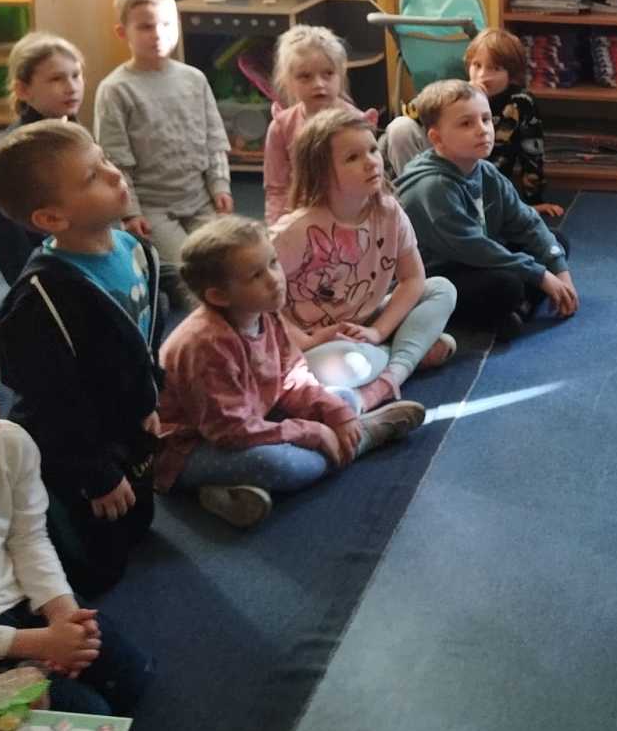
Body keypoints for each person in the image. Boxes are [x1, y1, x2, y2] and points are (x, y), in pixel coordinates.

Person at [155, 217, 425, 529]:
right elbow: (229, 431)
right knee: (280, 465)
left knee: (344, 399)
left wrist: (335, 413)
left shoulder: (264, 311)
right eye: (256, 275)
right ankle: (362, 440)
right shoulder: (206, 345)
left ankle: (228, 491)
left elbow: (292, 375)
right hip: (191, 446)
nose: (275, 279)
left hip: (252, 414)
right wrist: (312, 432)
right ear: (218, 296)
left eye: (273, 263)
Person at [0, 121, 162, 597]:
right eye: (92, 176)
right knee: (98, 570)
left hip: (123, 424)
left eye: (104, 159)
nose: (114, 173)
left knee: (138, 521)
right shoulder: (39, 303)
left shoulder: (134, 249)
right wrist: (95, 473)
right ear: (52, 218)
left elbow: (143, 336)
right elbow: (51, 402)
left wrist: (149, 398)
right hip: (74, 445)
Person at [272, 108, 458, 415]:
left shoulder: (389, 211)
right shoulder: (292, 232)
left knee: (442, 289)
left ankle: (381, 381)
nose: (371, 161)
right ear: (320, 173)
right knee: (348, 364)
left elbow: (413, 279)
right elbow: (255, 308)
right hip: (315, 344)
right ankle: (407, 352)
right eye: (352, 157)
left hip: (365, 325)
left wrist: (378, 332)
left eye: (372, 149)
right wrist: (307, 340)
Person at [0, 382, 152, 717]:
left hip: (18, 598)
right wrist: (35, 643)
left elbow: (28, 538)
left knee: (130, 680)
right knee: (91, 714)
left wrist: (62, 614)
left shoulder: (9, 442)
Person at [395, 80, 575, 341]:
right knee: (507, 284)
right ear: (437, 138)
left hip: (477, 261)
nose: (482, 130)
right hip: (437, 274)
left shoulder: (485, 171)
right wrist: (541, 276)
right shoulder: (432, 187)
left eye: (486, 119)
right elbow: (474, 248)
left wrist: (560, 272)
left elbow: (527, 223)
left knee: (557, 242)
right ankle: (493, 314)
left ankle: (514, 311)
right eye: (466, 124)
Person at [93, 0, 232, 277]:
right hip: (153, 208)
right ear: (122, 32)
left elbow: (214, 141)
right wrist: (130, 212)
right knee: (187, 272)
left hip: (199, 200)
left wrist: (220, 186)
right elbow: (115, 160)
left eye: (166, 24)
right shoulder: (115, 89)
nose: (157, 34)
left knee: (226, 260)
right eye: (145, 27)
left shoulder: (194, 79)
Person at [381, 27, 566, 223]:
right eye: (477, 65)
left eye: (495, 68)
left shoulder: (521, 102)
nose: (482, 75)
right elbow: (414, 113)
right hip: (438, 172)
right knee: (400, 127)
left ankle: (450, 210)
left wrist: (533, 200)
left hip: (482, 187)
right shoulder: (457, 92)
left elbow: (533, 153)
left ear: (511, 74)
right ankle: (416, 202)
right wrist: (462, 95)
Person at [0, 33, 86, 285]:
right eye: (56, 79)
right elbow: (10, 242)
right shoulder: (16, 154)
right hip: (51, 273)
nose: (71, 87)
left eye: (76, 75)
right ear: (23, 90)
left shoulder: (75, 132)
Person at [263, 25, 377, 225]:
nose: (318, 84)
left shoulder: (357, 123)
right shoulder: (281, 127)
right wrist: (277, 228)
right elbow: (276, 188)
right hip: (301, 219)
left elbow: (372, 179)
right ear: (288, 81)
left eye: (328, 74)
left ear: (340, 75)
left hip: (350, 217)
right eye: (305, 76)